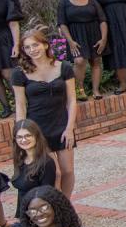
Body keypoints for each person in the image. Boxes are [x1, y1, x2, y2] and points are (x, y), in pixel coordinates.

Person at [11, 27, 78, 196]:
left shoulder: (65, 67)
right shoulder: (19, 74)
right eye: (27, 47)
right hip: (37, 129)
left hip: (62, 125)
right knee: (54, 173)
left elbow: (72, 100)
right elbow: (20, 105)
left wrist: (70, 128)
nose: (32, 50)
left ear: (45, 45)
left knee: (68, 171)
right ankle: (55, 207)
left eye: (35, 45)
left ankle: (65, 204)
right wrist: (21, 130)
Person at [57, 0, 109, 100]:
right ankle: (80, 90)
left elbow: (102, 20)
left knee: (96, 61)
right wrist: (70, 41)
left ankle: (96, 90)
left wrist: (103, 39)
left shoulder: (93, 1)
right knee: (79, 61)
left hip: (94, 34)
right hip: (75, 36)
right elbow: (62, 24)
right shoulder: (64, 3)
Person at [8, 120, 59, 222]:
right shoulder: (20, 159)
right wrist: (19, 216)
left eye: (28, 135)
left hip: (40, 214)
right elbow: (21, 192)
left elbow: (47, 195)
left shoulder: (46, 162)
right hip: (26, 212)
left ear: (36, 136)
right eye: (19, 137)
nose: (23, 140)